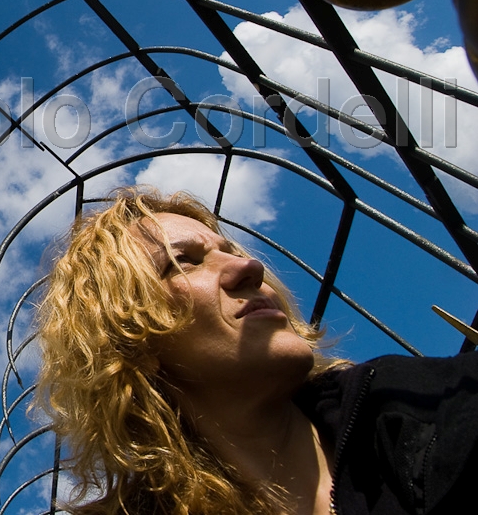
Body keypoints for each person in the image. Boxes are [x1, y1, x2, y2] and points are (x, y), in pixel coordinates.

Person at [36, 187, 478, 514]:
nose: (249, 266)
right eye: (183, 262)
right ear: (130, 342)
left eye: (229, 250)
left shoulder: (410, 407)